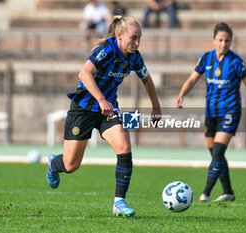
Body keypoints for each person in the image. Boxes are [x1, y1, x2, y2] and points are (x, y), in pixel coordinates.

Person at [46, 16, 162, 217]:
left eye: (139, 38)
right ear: (119, 36)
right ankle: (53, 163)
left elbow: (146, 79)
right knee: (70, 165)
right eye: (133, 38)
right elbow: (84, 73)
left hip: (108, 110)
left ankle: (119, 202)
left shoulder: (135, 57)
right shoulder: (106, 50)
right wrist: (100, 99)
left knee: (124, 147)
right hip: (83, 108)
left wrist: (156, 106)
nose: (137, 43)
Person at [175, 22, 246, 202]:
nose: (223, 44)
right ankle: (228, 192)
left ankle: (205, 192)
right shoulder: (206, 58)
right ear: (214, 41)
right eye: (220, 40)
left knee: (219, 152)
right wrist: (182, 94)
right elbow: (192, 79)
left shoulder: (237, 62)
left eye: (227, 41)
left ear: (231, 42)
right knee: (215, 154)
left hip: (230, 111)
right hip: (211, 113)